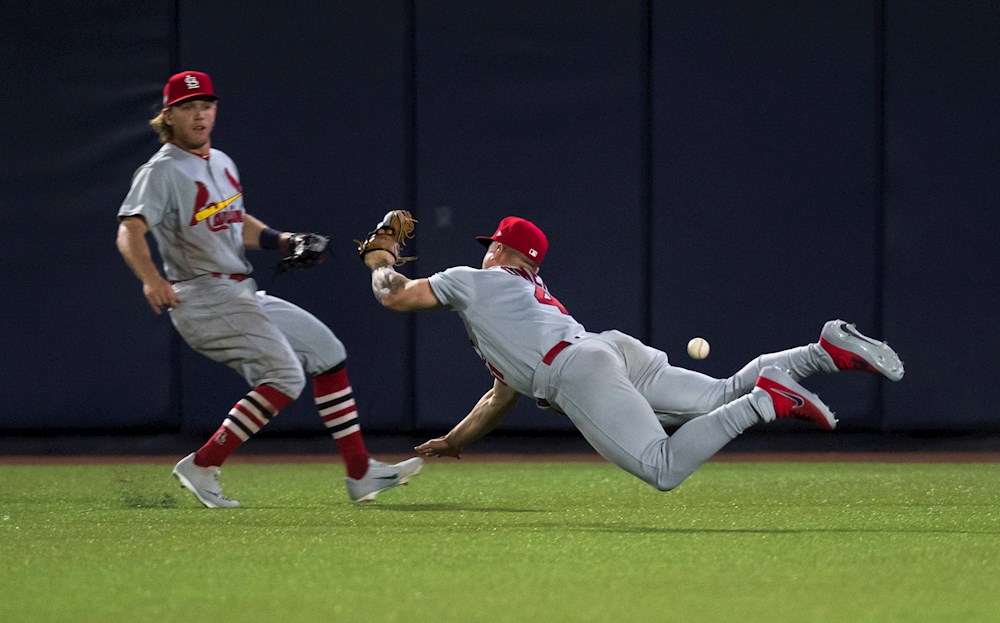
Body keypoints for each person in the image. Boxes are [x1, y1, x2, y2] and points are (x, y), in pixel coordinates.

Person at [360, 215, 904, 492]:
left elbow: (393, 294)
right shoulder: (527, 298)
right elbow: (500, 396)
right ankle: (822, 350)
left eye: (491, 245)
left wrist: (381, 253)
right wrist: (456, 441)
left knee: (662, 468)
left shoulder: (476, 282)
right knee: (719, 393)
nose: (485, 252)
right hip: (607, 349)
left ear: (500, 249)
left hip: (576, 369)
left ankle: (768, 401)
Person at [116, 70, 422, 507]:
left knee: (327, 352)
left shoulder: (221, 161)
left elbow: (233, 220)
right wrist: (151, 279)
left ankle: (360, 472)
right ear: (169, 116)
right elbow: (129, 230)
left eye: (206, 105)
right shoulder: (161, 171)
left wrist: (283, 240)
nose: (199, 114)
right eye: (188, 107)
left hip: (238, 290)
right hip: (200, 295)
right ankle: (203, 464)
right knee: (284, 376)